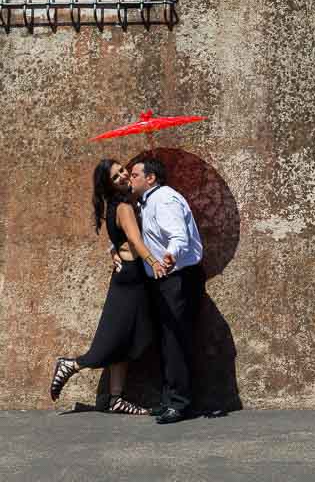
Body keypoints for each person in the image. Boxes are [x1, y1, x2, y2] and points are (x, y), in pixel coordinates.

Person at [49, 159, 168, 414]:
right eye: (116, 177)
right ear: (109, 185)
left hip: (130, 277)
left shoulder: (119, 204)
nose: (124, 176)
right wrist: (154, 262)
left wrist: (113, 250)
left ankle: (116, 399)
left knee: (127, 339)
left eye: (123, 171)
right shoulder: (124, 206)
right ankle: (71, 364)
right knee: (114, 340)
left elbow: (119, 239)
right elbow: (134, 241)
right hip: (131, 280)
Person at [129, 157, 205, 425]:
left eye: (135, 174)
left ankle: (180, 403)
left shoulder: (165, 199)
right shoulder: (148, 201)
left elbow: (179, 236)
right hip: (163, 279)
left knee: (175, 340)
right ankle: (170, 399)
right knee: (166, 340)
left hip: (177, 278)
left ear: (151, 178)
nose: (130, 178)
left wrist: (170, 257)